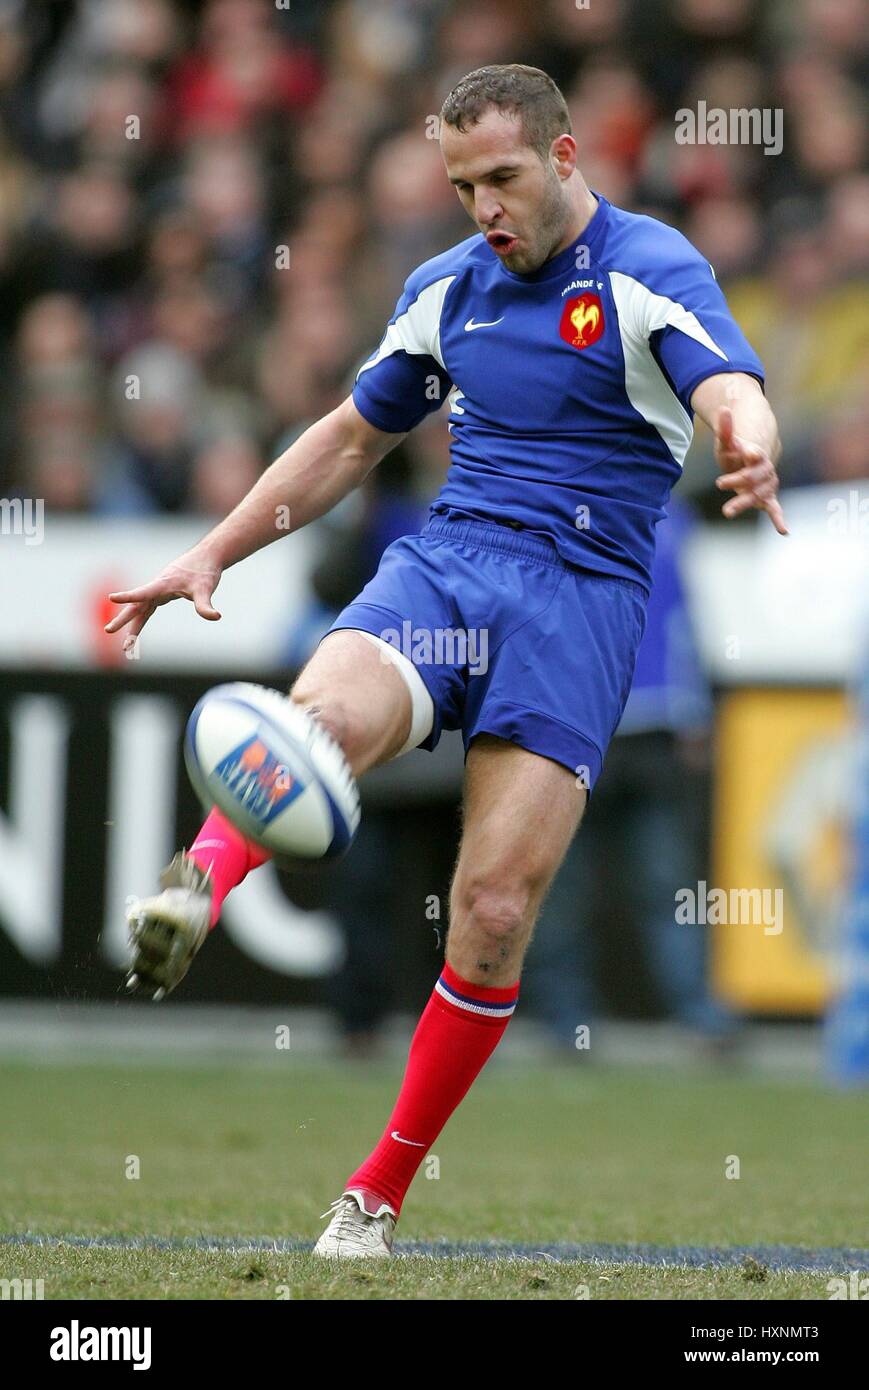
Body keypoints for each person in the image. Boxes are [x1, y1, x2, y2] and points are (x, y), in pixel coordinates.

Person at [105, 64, 786, 1259]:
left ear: (566, 160)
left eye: (504, 179)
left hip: (581, 598)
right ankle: (196, 886)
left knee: (490, 908)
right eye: (463, 183)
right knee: (317, 715)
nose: (484, 208)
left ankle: (373, 1191)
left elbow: (726, 380)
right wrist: (213, 551)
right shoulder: (445, 288)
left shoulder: (645, 267)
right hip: (452, 563)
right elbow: (350, 436)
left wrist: (749, 440)